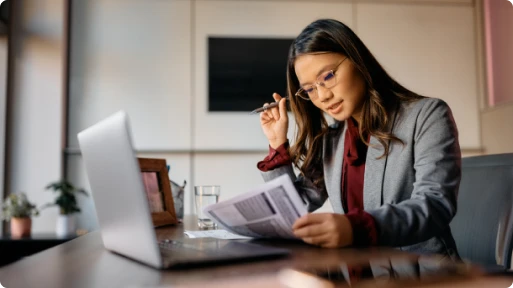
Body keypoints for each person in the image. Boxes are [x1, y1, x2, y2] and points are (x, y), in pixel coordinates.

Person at [257, 19, 461, 259]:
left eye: (328, 76)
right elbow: (296, 207)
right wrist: (276, 143)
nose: (322, 95)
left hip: (422, 277)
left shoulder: (427, 115)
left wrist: (356, 228)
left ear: (357, 60)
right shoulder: (331, 139)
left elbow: (435, 205)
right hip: (353, 274)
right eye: (310, 89)